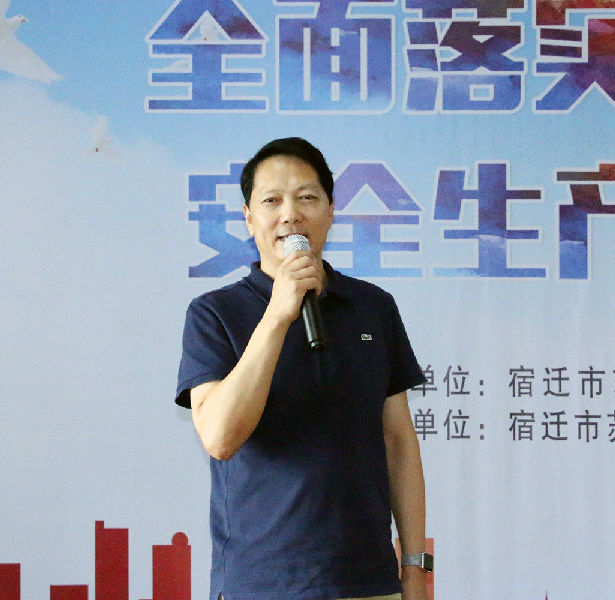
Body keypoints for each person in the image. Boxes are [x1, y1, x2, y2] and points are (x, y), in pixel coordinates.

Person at [176, 137, 431, 600]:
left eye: (307, 197)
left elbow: (398, 441)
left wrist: (414, 567)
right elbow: (220, 437)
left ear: (331, 211)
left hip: (368, 581)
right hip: (263, 583)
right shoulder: (215, 314)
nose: (290, 214)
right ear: (249, 217)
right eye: (271, 201)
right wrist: (278, 314)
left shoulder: (373, 307)